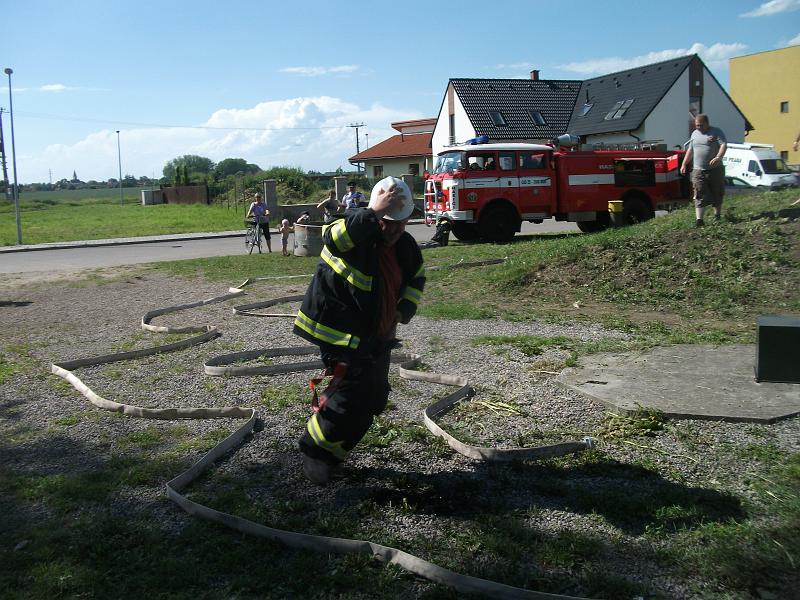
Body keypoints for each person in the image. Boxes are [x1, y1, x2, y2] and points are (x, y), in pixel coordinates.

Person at [293, 176, 425, 486]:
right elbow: (334, 239)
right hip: (340, 335)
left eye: (400, 223)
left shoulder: (404, 245)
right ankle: (315, 455)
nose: (393, 230)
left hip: (376, 338)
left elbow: (417, 275)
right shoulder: (354, 228)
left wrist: (405, 307)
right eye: (388, 221)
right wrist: (375, 212)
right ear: (376, 212)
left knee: (374, 398)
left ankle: (333, 455)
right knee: (351, 397)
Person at [680, 114, 727, 227]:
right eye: (697, 125)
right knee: (699, 193)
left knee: (717, 192)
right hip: (698, 170)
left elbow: (723, 145)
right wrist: (684, 164)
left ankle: (717, 215)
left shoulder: (716, 132)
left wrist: (718, 157)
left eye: (701, 125)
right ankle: (699, 220)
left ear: (707, 123)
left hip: (715, 169)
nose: (699, 128)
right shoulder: (694, 134)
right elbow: (690, 150)